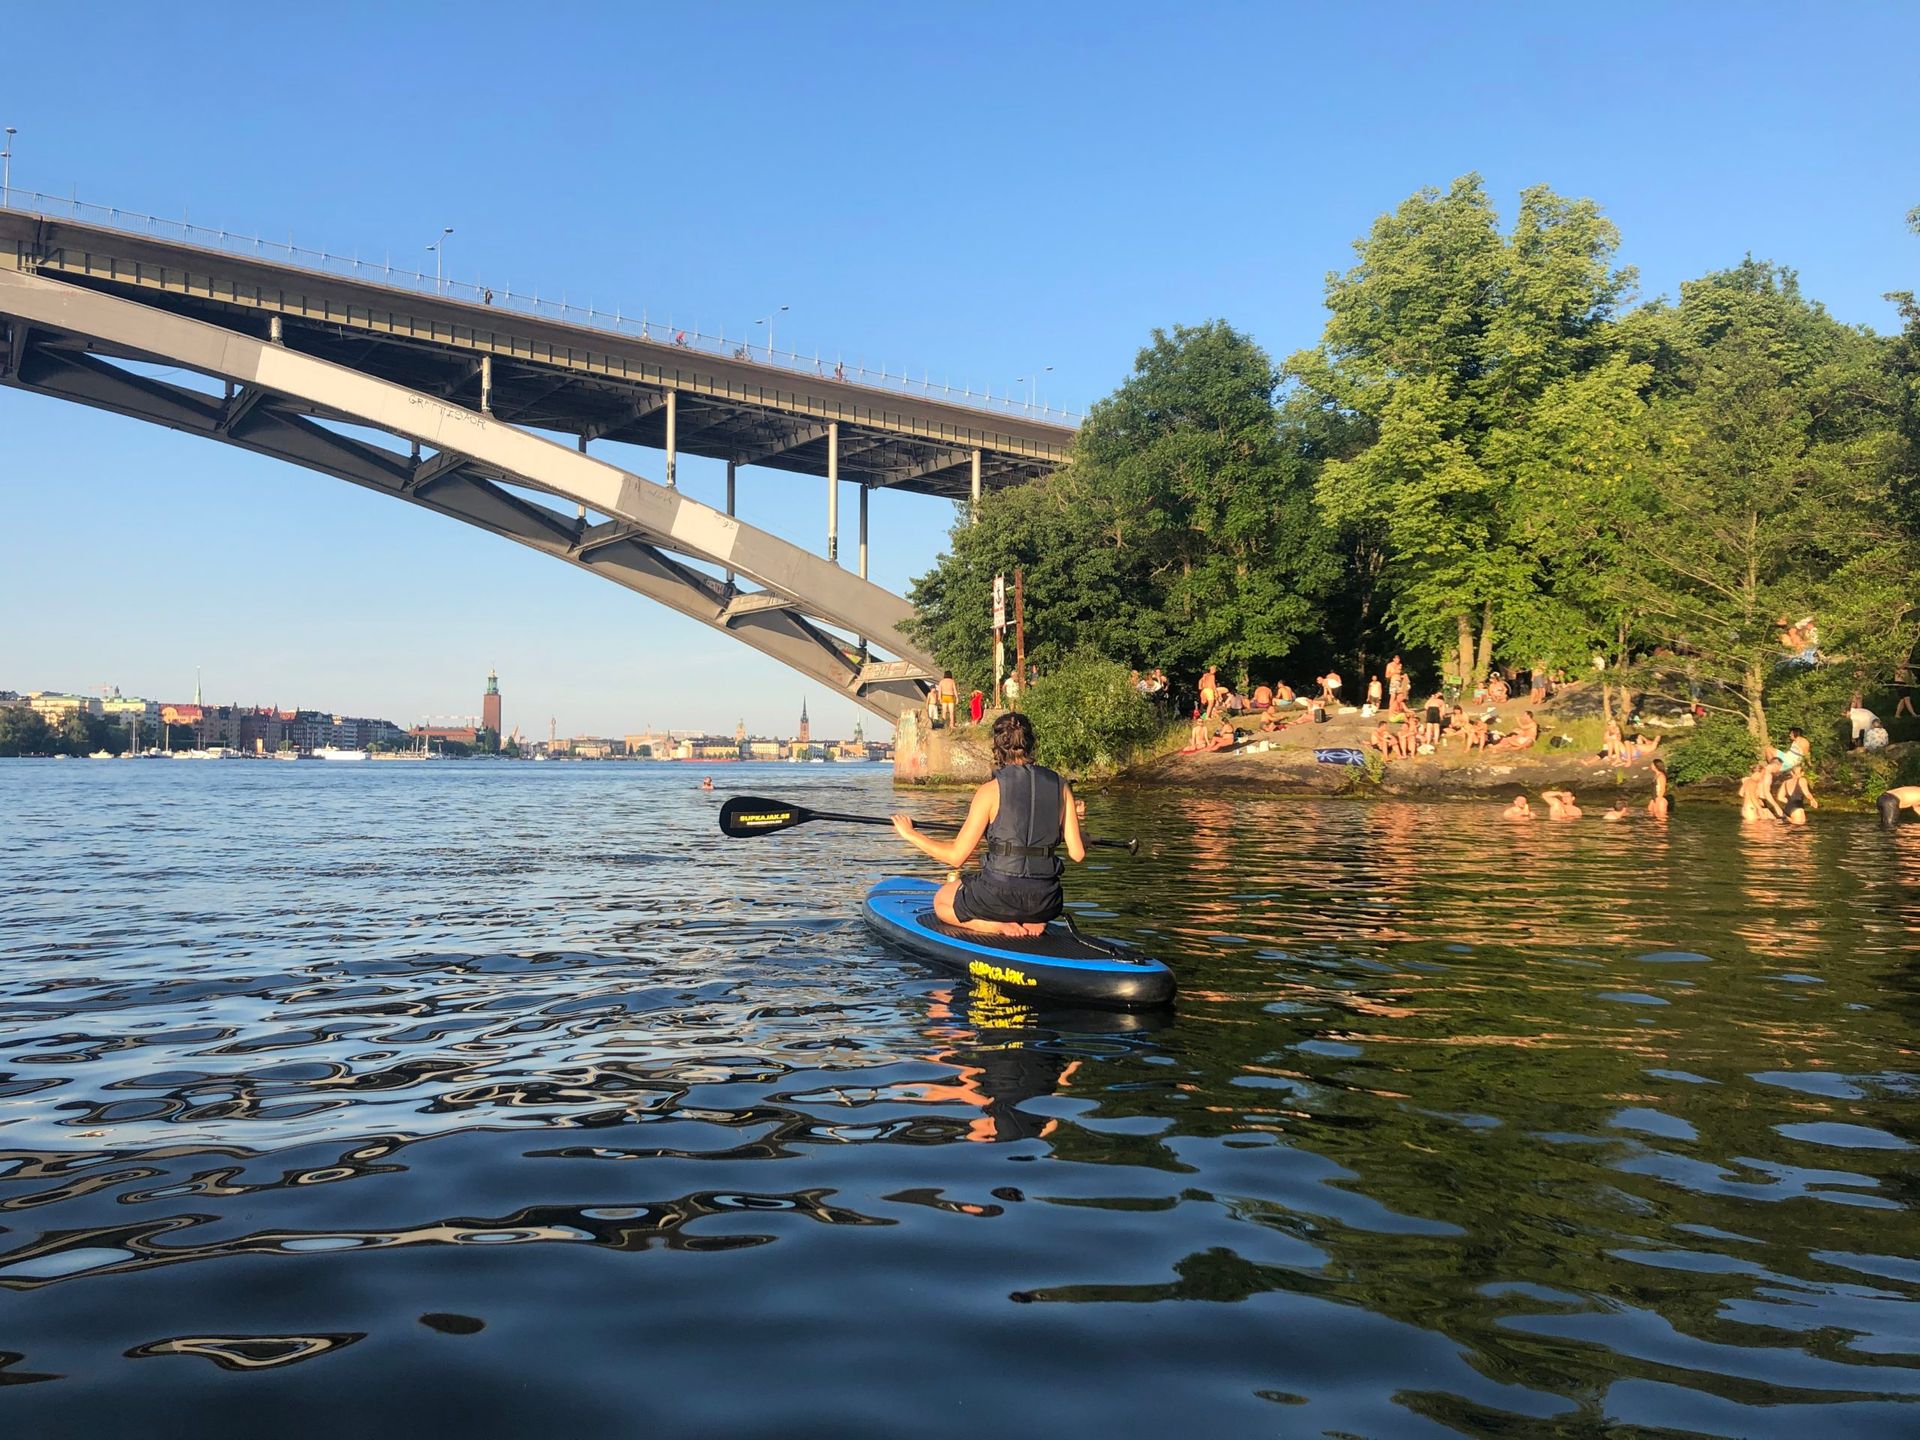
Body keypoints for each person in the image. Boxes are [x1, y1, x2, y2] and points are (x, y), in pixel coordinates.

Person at [891, 711, 1086, 938]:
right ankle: (1034, 920)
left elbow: (956, 856)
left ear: (997, 746)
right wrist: (1081, 836)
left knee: (941, 900)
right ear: (1032, 743)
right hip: (1046, 901)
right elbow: (1078, 853)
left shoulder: (990, 791)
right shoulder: (1061, 785)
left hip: (998, 895)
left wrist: (910, 834)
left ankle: (994, 926)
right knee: (1026, 892)